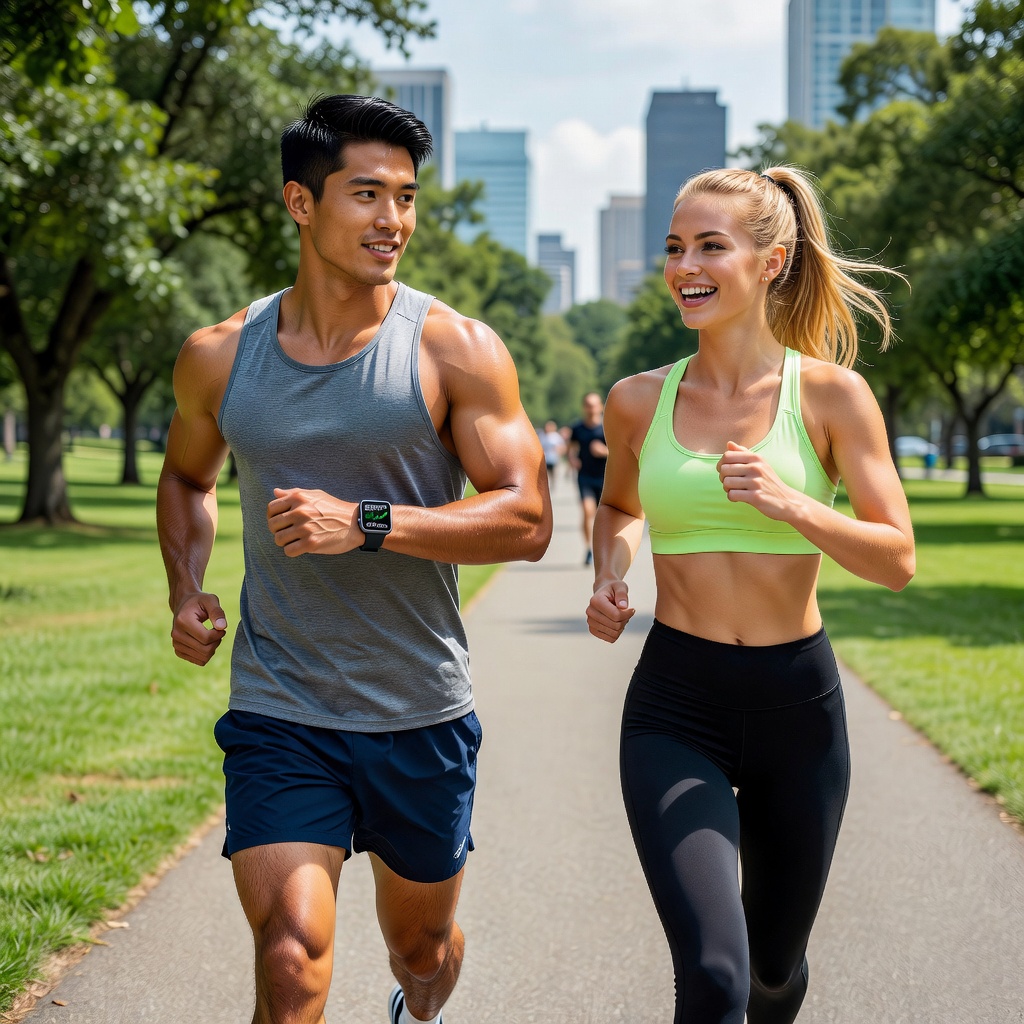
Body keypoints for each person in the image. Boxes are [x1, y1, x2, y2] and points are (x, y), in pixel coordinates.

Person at [156, 94, 552, 1024]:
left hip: (418, 709)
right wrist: (185, 587)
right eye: (367, 194)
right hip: (280, 707)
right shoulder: (219, 357)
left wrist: (369, 522)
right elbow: (185, 480)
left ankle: (420, 1002)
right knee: (290, 961)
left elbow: (526, 518)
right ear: (300, 203)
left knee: (421, 953)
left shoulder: (456, 348)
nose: (394, 221)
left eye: (407, 198)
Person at [585, 166, 915, 1024]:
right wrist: (611, 571)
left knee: (772, 969)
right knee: (714, 975)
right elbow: (619, 505)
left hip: (796, 709)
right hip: (676, 704)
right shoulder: (637, 401)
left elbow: (896, 559)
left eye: (708, 246)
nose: (683, 264)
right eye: (672, 247)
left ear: (770, 262)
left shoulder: (833, 396)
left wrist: (790, 501)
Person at [568, 392, 608, 565]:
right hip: (585, 476)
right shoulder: (577, 429)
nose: (592, 408)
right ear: (584, 407)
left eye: (595, 405)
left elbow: (621, 453)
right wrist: (572, 459)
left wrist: (604, 451)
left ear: (601, 406)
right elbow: (570, 448)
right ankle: (588, 549)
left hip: (606, 478)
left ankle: (605, 549)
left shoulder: (608, 427)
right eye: (588, 405)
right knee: (587, 511)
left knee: (604, 517)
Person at [538, 419, 565, 488]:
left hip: (553, 457)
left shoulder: (556, 436)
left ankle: (553, 484)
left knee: (553, 472)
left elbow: (562, 446)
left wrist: (559, 451)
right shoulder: (542, 435)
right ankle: (546, 485)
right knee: (545, 473)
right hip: (544, 458)